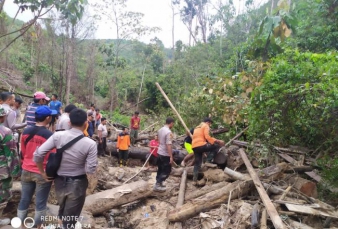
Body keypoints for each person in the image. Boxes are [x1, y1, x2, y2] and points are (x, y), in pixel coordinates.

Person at [34, 108, 98, 229]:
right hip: (78, 182)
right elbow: (90, 170)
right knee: (71, 217)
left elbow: (38, 154)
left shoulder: (58, 136)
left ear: (69, 123)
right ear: (86, 124)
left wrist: (42, 172)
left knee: (62, 209)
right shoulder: (90, 144)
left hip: (59, 181)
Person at [17, 106, 57, 228]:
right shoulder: (50, 135)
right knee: (40, 202)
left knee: (24, 199)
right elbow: (53, 157)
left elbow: (22, 152)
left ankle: (19, 224)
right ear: (47, 118)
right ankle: (37, 226)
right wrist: (52, 175)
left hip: (26, 169)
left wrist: (23, 166)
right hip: (42, 172)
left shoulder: (25, 131)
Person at [0, 105, 20, 226]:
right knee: (2, 194)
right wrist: (15, 171)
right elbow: (11, 154)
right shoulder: (5, 132)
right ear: (3, 116)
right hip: (2, 171)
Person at [192, 118, 224, 185]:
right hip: (201, 145)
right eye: (210, 123)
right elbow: (207, 137)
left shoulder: (197, 127)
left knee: (197, 163)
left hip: (195, 146)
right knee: (216, 146)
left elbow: (201, 137)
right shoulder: (205, 126)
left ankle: (194, 180)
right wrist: (218, 141)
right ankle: (208, 161)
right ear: (208, 122)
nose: (210, 125)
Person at [153, 117, 175, 192]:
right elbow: (168, 144)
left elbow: (158, 140)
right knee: (167, 170)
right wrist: (171, 156)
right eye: (173, 124)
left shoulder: (160, 130)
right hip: (165, 153)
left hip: (159, 152)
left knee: (160, 168)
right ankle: (158, 184)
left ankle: (159, 182)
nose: (173, 125)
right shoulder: (168, 132)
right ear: (171, 123)